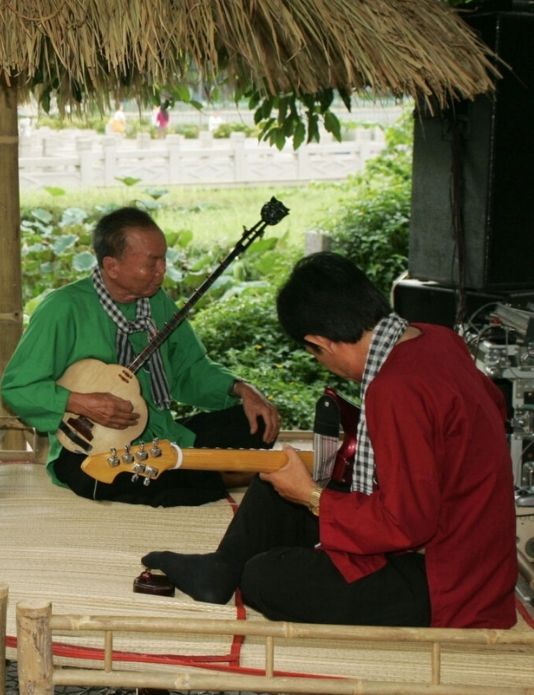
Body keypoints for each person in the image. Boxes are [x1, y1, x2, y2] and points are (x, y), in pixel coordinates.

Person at [142, 253, 517, 628]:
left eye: (314, 354)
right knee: (275, 480)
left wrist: (312, 496)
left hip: (448, 579)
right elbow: (490, 410)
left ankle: (242, 569)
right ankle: (220, 569)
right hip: (466, 542)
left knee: (265, 577)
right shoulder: (437, 338)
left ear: (321, 343)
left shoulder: (395, 388)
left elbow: (407, 524)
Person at [2, 206, 280, 507]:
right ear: (112, 266)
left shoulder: (157, 303)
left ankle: (199, 469)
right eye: (152, 263)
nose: (163, 270)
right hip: (96, 448)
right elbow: (18, 388)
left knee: (257, 421)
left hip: (162, 434)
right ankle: (223, 475)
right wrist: (81, 403)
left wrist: (241, 388)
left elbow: (189, 369)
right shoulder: (63, 308)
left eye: (163, 259)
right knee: (108, 478)